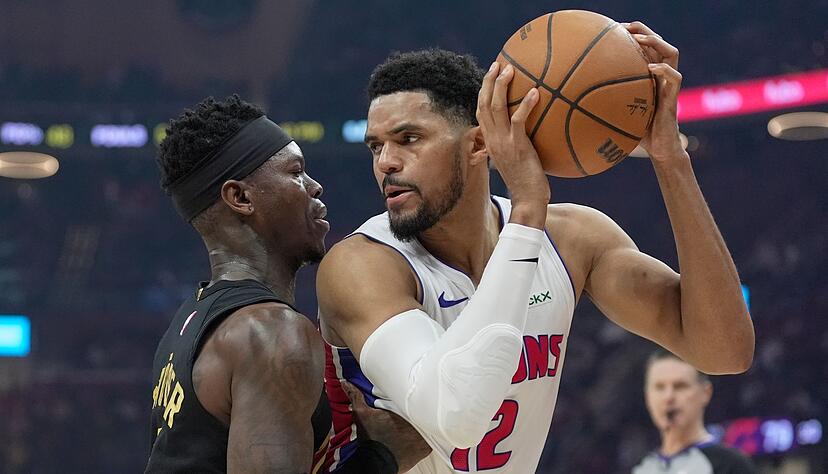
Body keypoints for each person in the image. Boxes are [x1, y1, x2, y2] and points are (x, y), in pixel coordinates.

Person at [316, 22, 755, 473]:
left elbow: (724, 351)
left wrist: (669, 157)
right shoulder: (363, 265)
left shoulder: (573, 240)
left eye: (409, 139)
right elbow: (453, 416)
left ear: (480, 142)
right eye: (376, 146)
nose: (385, 162)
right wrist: (527, 209)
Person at [145, 95, 427, 473]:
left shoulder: (190, 320)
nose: (316, 187)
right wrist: (385, 455)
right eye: (296, 172)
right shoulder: (271, 333)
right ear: (241, 197)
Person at [633, 350, 756, 473]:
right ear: (647, 396)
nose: (668, 397)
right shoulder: (642, 467)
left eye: (680, 386)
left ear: (705, 393)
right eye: (659, 387)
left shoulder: (732, 465)